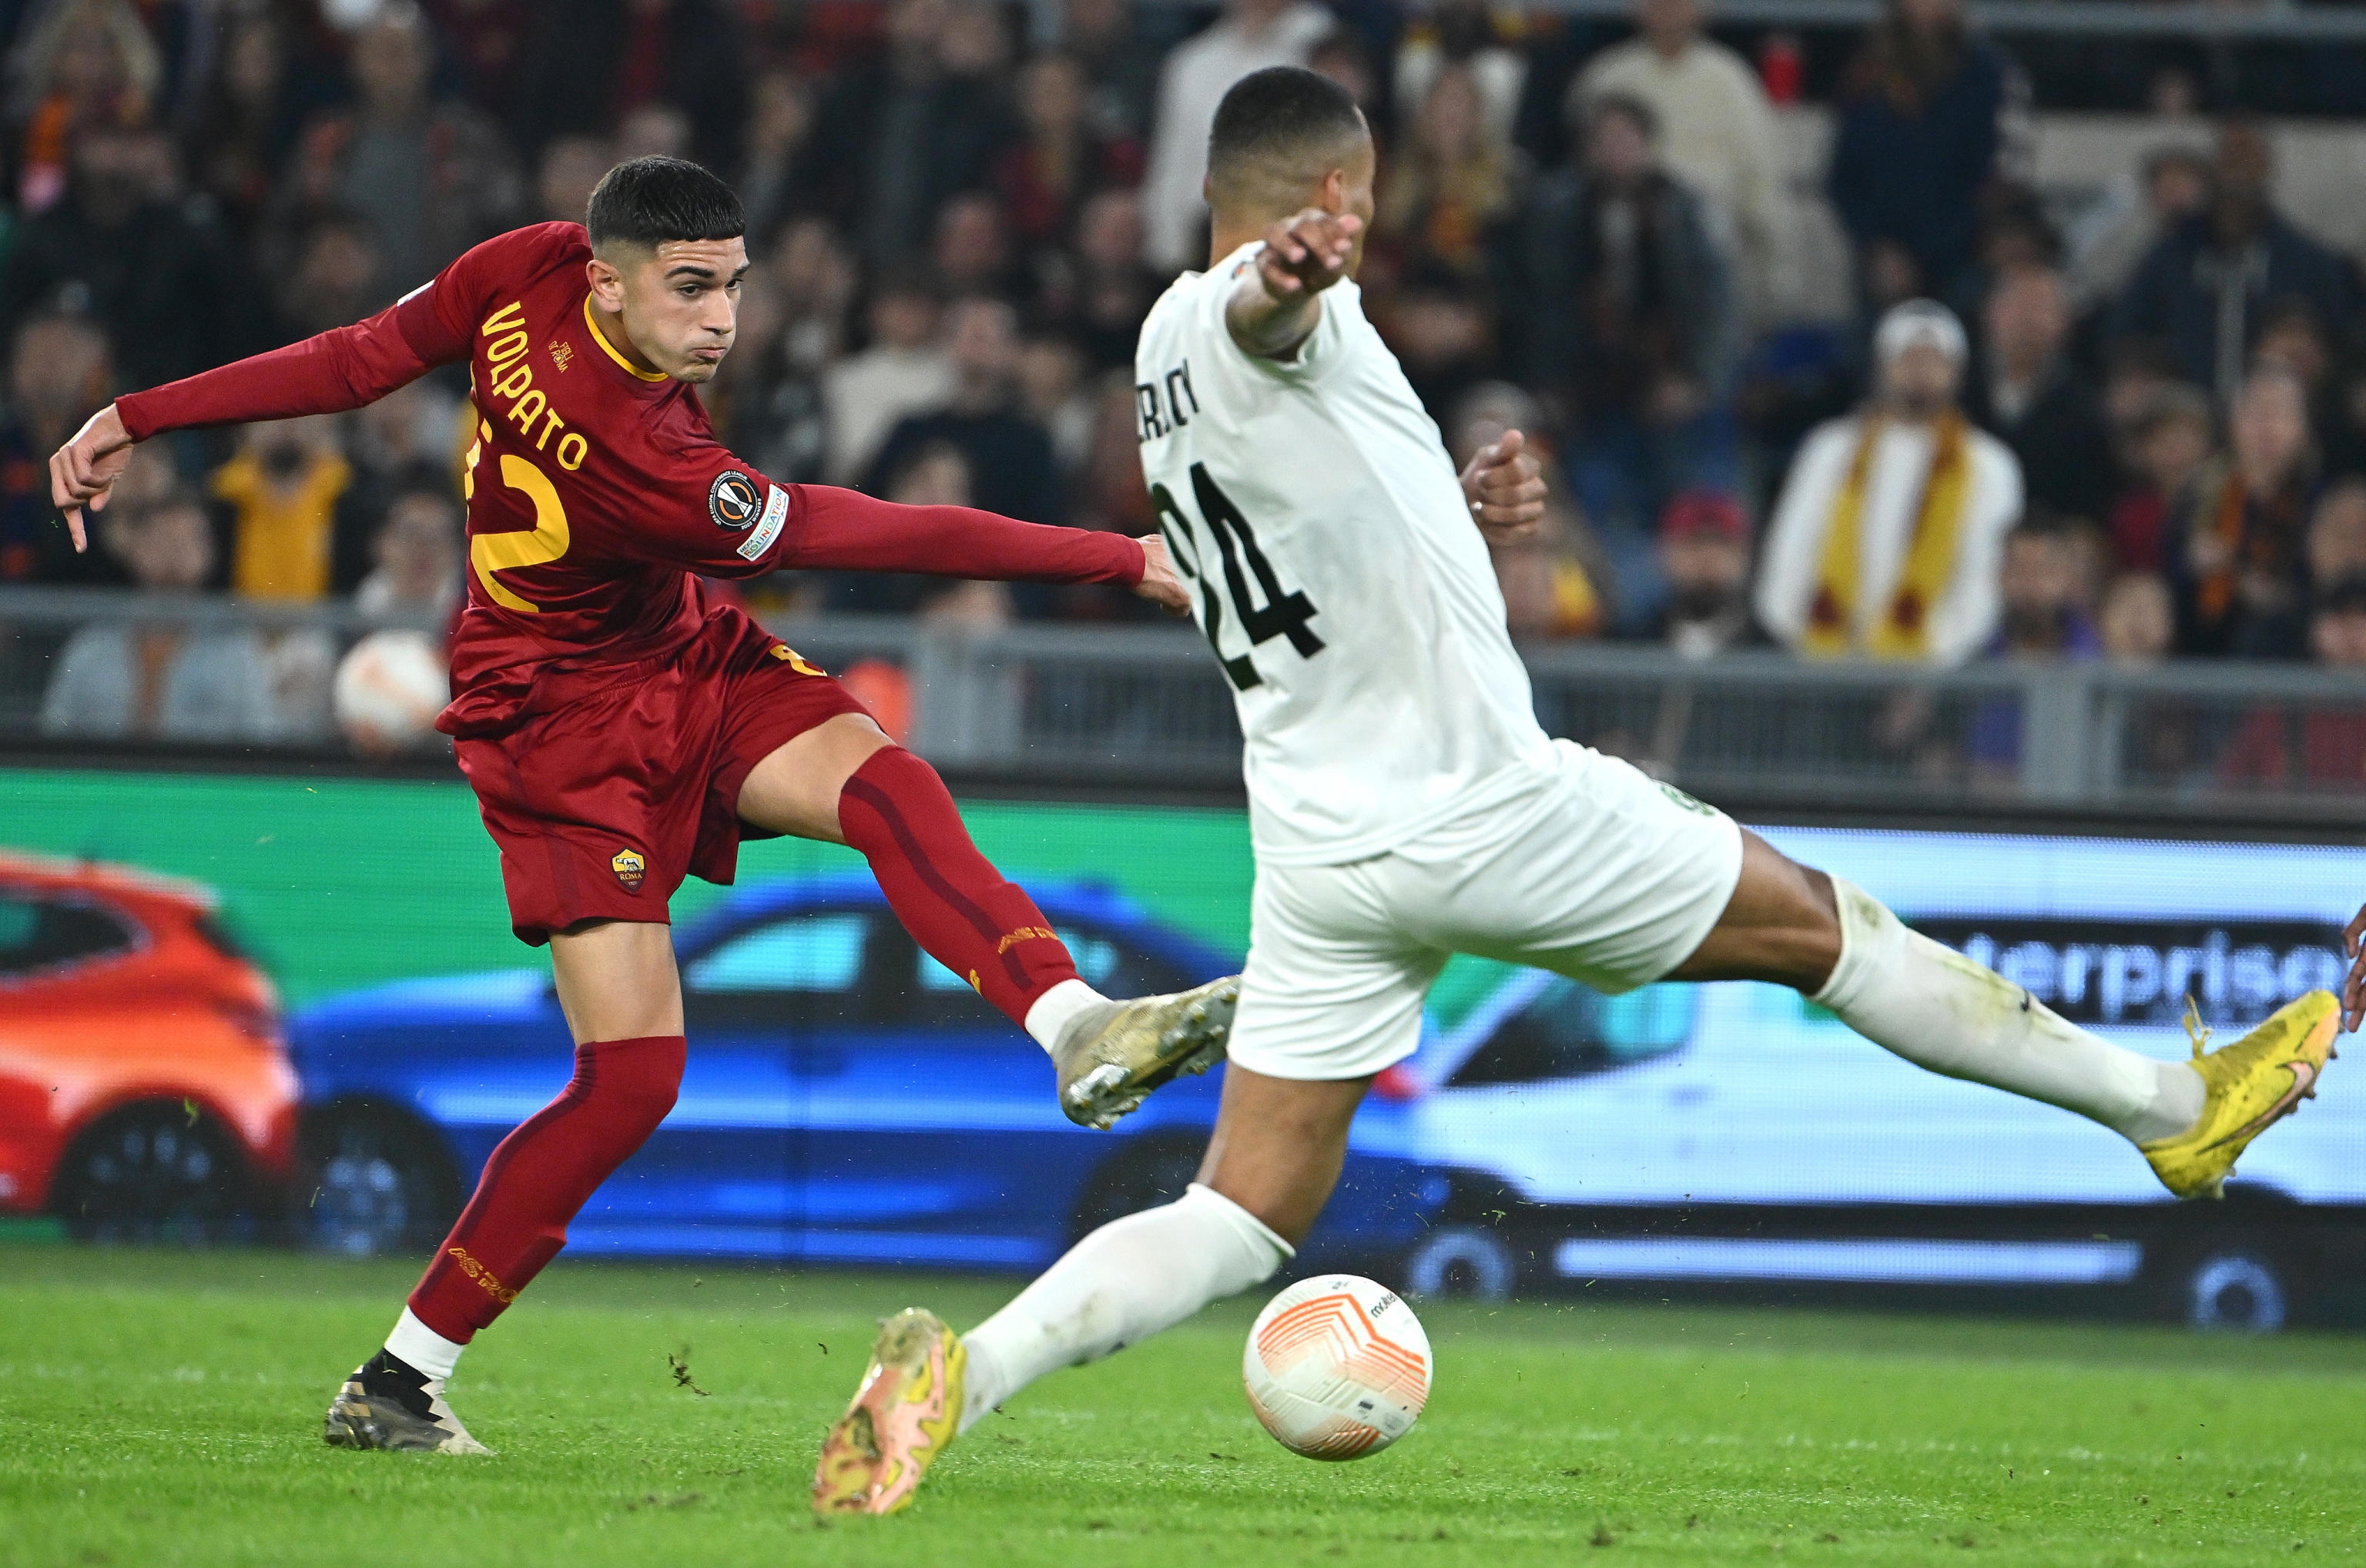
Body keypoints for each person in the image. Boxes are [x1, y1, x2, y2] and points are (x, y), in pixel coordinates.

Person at [811, 67, 2343, 1516]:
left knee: (1239, 1212)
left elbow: (1298, 528)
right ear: (1332, 194)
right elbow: (1261, 317)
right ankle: (2169, 1110)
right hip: (1481, 803)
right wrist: (1285, 276)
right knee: (1833, 931)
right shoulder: (1255, 312)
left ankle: (966, 1373)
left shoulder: (1154, 357)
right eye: (1359, 203)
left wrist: (1445, 510)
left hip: (1325, 848)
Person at [49, 156, 1241, 1457]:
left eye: (732, 284)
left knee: (885, 782)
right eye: (690, 289)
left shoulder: (524, 266)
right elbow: (869, 532)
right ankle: (399, 1382)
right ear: (609, 282)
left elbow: (353, 361)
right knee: (630, 1081)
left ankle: (1072, 1023)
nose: (721, 319)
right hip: (557, 728)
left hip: (676, 654)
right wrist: (1116, 557)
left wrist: (136, 413)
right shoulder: (655, 459)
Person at [1755, 300, 2022, 665]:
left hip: (1938, 674)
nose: (1921, 370)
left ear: (1958, 373)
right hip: (1822, 664)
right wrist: (1818, 658)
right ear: (1882, 367)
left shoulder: (1989, 464)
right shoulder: (1830, 449)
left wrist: (1926, 664)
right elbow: (1789, 557)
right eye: (1908, 358)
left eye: (1934, 360)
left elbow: (1984, 582)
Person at [2112, 122, 2358, 407]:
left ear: (2267, 171)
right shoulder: (2170, 258)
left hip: (2277, 417)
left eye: (2248, 163)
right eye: (2230, 160)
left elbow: (2342, 347)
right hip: (2187, 418)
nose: (2238, 176)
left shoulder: (2310, 265)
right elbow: (2124, 333)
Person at [1574, 0, 1785, 324]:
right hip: (1623, 256)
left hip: (1713, 254)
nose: (1668, 7)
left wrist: (1776, 270)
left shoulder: (1732, 81)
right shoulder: (1607, 78)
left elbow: (1761, 183)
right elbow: (1584, 176)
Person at [41, 490, 277, 744]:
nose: (173, 553)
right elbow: (53, 734)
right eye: (161, 539)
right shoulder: (91, 647)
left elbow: (261, 740)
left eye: (187, 540)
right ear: (134, 549)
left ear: (208, 553)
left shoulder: (235, 652)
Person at [1827, 0, 2009, 306]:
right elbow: (1844, 177)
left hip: (1961, 263)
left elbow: (1987, 176)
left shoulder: (1984, 73)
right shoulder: (1866, 72)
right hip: (1881, 264)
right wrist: (1877, 247)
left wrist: (1930, 255)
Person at [1138, 0, 1334, 273]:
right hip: (1204, 248)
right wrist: (1168, 252)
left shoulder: (1326, 47)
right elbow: (1173, 164)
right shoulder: (1193, 61)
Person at [2168, 364, 2315, 658]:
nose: (2266, 426)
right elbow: (2169, 571)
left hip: (2293, 658)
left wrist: (2243, 576)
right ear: (2233, 425)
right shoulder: (2199, 494)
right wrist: (2192, 563)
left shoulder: (2319, 502)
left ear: (2302, 428)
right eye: (2255, 413)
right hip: (2200, 650)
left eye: (2278, 413)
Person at [1966, 262, 2112, 528]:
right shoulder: (1958, 388)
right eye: (2017, 305)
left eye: (2041, 308)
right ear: (1989, 312)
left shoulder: (2085, 406)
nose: (2027, 321)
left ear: (2065, 322)